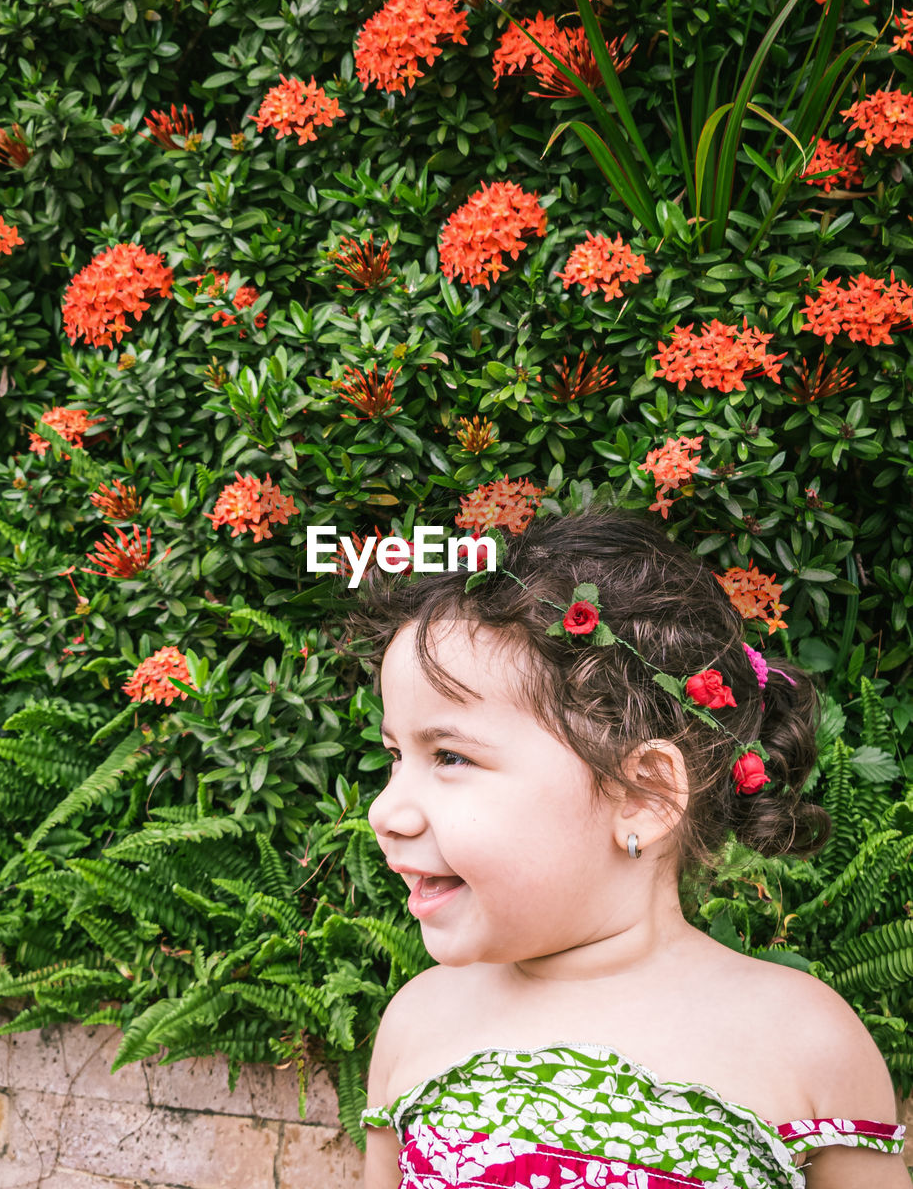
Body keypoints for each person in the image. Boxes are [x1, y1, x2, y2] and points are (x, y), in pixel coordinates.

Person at [348, 508, 909, 1189]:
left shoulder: (803, 1042)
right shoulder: (417, 1021)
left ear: (642, 795)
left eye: (450, 756)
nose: (385, 811)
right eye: (392, 755)